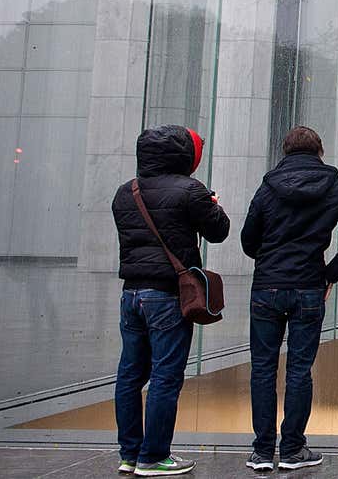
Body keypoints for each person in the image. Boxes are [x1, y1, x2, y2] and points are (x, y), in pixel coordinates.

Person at [239, 126, 338, 472]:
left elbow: (248, 239)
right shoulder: (334, 188)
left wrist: (267, 259)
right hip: (309, 287)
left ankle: (263, 452)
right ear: (320, 152)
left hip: (267, 287)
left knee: (263, 370)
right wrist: (329, 274)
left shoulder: (268, 188)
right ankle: (294, 449)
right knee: (299, 370)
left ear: (285, 151)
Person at [111, 125, 230, 476]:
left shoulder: (125, 192)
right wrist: (212, 206)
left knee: (130, 374)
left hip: (131, 294)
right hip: (166, 295)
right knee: (165, 375)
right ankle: (154, 456)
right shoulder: (190, 191)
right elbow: (219, 231)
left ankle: (129, 454)